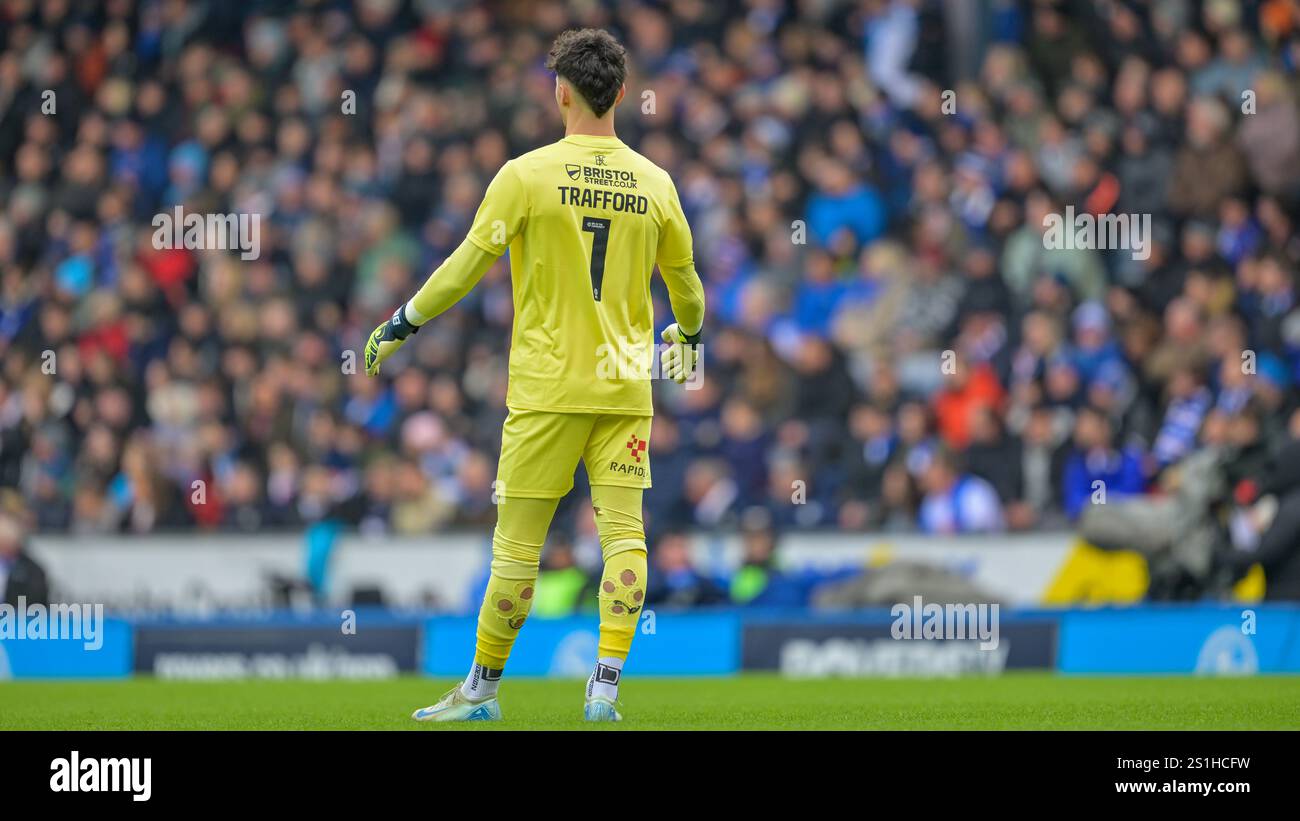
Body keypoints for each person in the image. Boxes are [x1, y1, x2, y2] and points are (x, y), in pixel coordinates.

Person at [363, 29, 705, 723]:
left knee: (518, 549)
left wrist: (402, 320)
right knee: (626, 539)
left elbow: (466, 265)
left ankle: (483, 690)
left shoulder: (526, 174)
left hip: (549, 389)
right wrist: (689, 336)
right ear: (617, 92)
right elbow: (688, 288)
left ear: (562, 92)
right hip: (625, 383)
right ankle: (604, 687)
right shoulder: (656, 182)